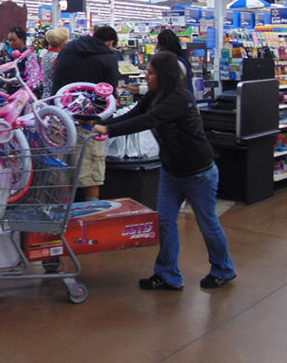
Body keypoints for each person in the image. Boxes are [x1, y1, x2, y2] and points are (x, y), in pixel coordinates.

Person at [94, 50, 237, 291]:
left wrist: (108, 131)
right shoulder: (153, 95)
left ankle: (224, 268)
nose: (146, 76)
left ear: (164, 74)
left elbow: (147, 121)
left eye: (150, 72)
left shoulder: (179, 98)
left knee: (207, 222)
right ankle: (168, 275)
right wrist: (99, 123)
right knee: (165, 221)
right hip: (172, 171)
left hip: (198, 173)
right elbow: (132, 115)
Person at [51, 25, 121, 200]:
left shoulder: (68, 48)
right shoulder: (107, 56)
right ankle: (92, 217)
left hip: (60, 119)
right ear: (111, 42)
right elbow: (108, 94)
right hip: (88, 123)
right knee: (90, 176)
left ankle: (65, 219)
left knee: (62, 175)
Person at [40, 27, 69, 98]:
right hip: (56, 97)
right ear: (62, 42)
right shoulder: (58, 57)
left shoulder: (46, 55)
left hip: (46, 95)